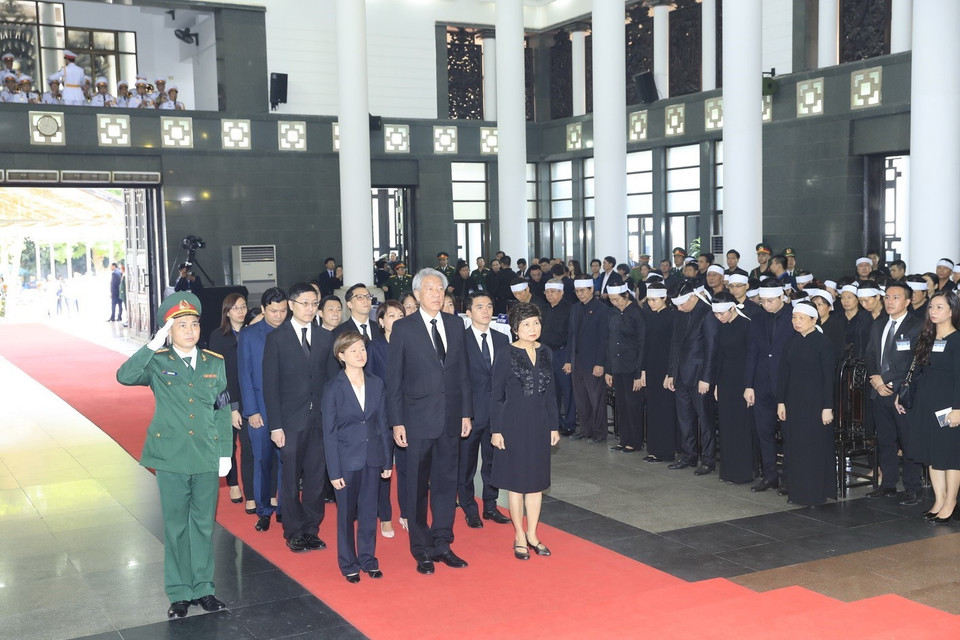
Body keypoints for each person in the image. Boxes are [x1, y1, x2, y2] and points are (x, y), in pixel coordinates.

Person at [116, 292, 231, 618]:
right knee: (176, 526)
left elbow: (222, 409)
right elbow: (124, 376)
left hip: (206, 454)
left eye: (194, 324)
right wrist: (152, 345)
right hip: (171, 456)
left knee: (204, 526)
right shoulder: (158, 361)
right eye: (181, 326)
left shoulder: (214, 362)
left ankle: (204, 588)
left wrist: (225, 451)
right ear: (169, 330)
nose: (190, 331)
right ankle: (180, 593)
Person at [386, 268, 473, 575]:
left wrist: (466, 413)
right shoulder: (404, 328)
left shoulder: (455, 324)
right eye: (431, 290)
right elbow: (393, 380)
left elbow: (463, 373)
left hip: (450, 418)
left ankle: (443, 543)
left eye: (441, 290)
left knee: (447, 484)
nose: (437, 294)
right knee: (417, 487)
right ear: (418, 294)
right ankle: (421, 548)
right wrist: (397, 422)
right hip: (417, 420)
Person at [262, 282, 333, 552]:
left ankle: (311, 529)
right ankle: (293, 530)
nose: (310, 308)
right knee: (290, 479)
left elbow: (330, 381)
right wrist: (275, 425)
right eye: (305, 303)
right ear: (291, 305)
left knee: (316, 479)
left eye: (314, 303)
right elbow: (271, 385)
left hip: (319, 421)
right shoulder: (277, 338)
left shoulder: (325, 337)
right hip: (290, 423)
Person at [490, 302, 561, 560]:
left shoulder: (546, 352)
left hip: (540, 424)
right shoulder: (506, 353)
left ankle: (533, 533)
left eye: (536, 322)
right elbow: (496, 395)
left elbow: (551, 392)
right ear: (515, 328)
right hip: (513, 425)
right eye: (527, 324)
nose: (533, 328)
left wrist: (554, 425)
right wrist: (496, 430)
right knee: (517, 484)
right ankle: (519, 534)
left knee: (536, 483)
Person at [322, 331, 393, 583]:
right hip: (346, 460)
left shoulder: (376, 383)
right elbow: (329, 433)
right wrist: (334, 471)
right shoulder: (333, 388)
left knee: (368, 512)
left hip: (372, 458)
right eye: (353, 350)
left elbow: (383, 424)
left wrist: (387, 459)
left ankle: (368, 559)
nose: (360, 354)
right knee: (345, 516)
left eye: (362, 349)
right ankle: (348, 562)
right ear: (341, 356)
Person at [897, 292, 960, 523]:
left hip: (947, 407)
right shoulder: (929, 338)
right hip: (927, 404)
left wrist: (958, 408)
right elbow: (918, 372)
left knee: (950, 455)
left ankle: (951, 502)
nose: (933, 311)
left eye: (939, 307)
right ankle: (939, 500)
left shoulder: (957, 340)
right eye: (931, 306)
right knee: (933, 455)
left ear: (951, 311)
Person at [863, 281, 924, 505]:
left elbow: (915, 362)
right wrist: (875, 379)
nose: (890, 301)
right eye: (887, 297)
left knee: (908, 442)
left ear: (908, 301)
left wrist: (886, 380)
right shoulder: (879, 324)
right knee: (885, 440)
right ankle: (888, 484)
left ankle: (913, 487)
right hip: (879, 392)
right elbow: (869, 354)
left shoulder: (917, 326)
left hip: (903, 393)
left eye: (895, 297)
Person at [776, 301, 836, 506]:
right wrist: (781, 402)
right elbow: (783, 374)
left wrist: (828, 407)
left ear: (814, 319)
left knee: (813, 446)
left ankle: (814, 494)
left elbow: (829, 377)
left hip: (816, 403)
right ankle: (797, 492)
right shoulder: (790, 342)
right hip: (793, 401)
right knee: (794, 445)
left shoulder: (823, 343)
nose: (797, 322)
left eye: (802, 318)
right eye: (794, 317)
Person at [460, 292, 512, 528]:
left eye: (489, 306)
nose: (486, 311)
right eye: (479, 307)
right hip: (470, 414)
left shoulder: (502, 341)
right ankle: (470, 509)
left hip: (496, 415)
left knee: (493, 463)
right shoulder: (460, 340)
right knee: (467, 465)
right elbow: (458, 381)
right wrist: (463, 413)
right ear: (469, 313)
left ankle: (490, 507)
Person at [238, 288, 287, 528]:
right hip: (260, 410)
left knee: (286, 461)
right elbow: (244, 375)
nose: (279, 316)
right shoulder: (249, 335)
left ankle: (285, 508)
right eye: (274, 311)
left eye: (283, 311)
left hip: (289, 410)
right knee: (262, 460)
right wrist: (251, 411)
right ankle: (263, 510)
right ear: (264, 309)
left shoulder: (292, 331)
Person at [744, 279, 796, 492]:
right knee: (763, 431)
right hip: (762, 382)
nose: (766, 305)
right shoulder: (757, 317)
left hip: (787, 383)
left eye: (770, 301)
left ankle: (790, 478)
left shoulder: (795, 316)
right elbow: (752, 352)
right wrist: (749, 385)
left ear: (782, 296)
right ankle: (770, 475)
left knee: (789, 432)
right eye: (763, 301)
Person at [666, 282, 719, 474]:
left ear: (693, 297)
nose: (679, 308)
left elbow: (711, 349)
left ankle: (708, 459)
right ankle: (689, 455)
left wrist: (707, 378)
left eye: (681, 304)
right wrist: (671, 373)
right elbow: (675, 344)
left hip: (700, 377)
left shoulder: (708, 314)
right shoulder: (680, 314)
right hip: (681, 375)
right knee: (685, 418)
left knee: (705, 420)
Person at [366, 300, 406, 536]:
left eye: (401, 315)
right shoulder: (374, 347)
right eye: (392, 316)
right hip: (383, 415)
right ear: (381, 321)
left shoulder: (412, 343)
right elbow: (370, 383)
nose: (397, 319)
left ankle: (407, 512)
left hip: (409, 413)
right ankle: (386, 516)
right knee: (384, 468)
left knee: (407, 467)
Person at [208, 293, 253, 507]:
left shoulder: (251, 333)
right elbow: (219, 373)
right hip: (227, 397)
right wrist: (232, 406)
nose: (241, 312)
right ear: (227, 312)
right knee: (229, 443)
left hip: (249, 397)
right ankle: (233, 482)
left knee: (248, 444)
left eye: (243, 307)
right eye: (235, 308)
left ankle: (251, 488)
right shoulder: (218, 336)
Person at [709, 291, 755, 484]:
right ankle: (727, 471)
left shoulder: (747, 326)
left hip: (742, 381)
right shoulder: (722, 326)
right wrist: (717, 383)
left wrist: (749, 385)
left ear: (732, 308)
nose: (719, 318)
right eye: (716, 314)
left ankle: (742, 472)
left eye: (722, 314)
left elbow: (752, 358)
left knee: (741, 426)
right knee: (726, 426)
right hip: (726, 381)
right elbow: (719, 356)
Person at [563, 277, 611, 442]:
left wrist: (600, 363)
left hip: (593, 362)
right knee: (581, 398)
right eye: (577, 291)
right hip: (577, 361)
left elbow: (604, 339)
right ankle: (585, 430)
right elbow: (571, 336)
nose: (580, 294)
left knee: (596, 398)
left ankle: (599, 432)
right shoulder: (575, 308)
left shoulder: (602, 309)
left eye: (583, 291)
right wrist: (569, 360)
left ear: (591, 289)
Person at [605, 282, 645, 453]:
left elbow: (643, 344)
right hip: (617, 366)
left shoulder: (637, 313)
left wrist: (639, 373)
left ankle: (634, 441)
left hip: (632, 367)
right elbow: (609, 342)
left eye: (617, 299)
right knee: (621, 405)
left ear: (626, 296)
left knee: (633, 405)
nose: (614, 303)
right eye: (612, 300)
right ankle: (624, 439)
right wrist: (608, 369)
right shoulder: (612, 313)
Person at [640, 283, 677, 463]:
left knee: (665, 410)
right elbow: (646, 345)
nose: (651, 303)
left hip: (665, 369)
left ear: (664, 298)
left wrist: (670, 372)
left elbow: (673, 347)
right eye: (649, 300)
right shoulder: (649, 316)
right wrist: (643, 370)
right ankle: (654, 448)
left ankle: (666, 450)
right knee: (653, 409)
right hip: (652, 368)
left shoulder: (672, 317)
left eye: (654, 300)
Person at [542, 279, 576, 436]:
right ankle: (555, 423)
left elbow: (572, 336)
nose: (549, 295)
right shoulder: (545, 309)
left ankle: (569, 424)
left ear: (561, 292)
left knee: (567, 390)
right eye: (547, 292)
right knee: (551, 391)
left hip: (563, 353)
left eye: (553, 291)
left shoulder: (570, 309)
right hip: (547, 353)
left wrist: (569, 359)